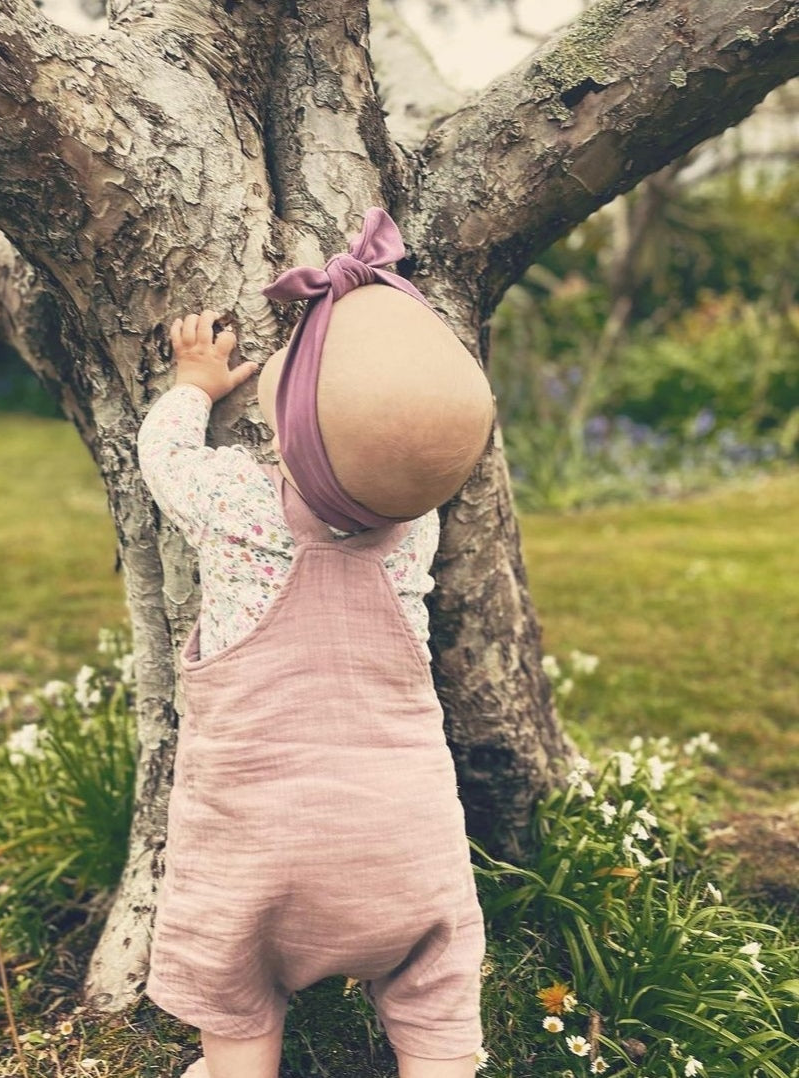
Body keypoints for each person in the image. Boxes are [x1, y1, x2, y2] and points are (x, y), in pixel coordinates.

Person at [138, 208, 494, 1078]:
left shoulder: (236, 503)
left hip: (258, 849)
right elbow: (393, 455)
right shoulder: (415, 530)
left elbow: (163, 456)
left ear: (288, 431)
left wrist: (193, 382)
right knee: (436, 996)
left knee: (236, 984)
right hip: (404, 847)